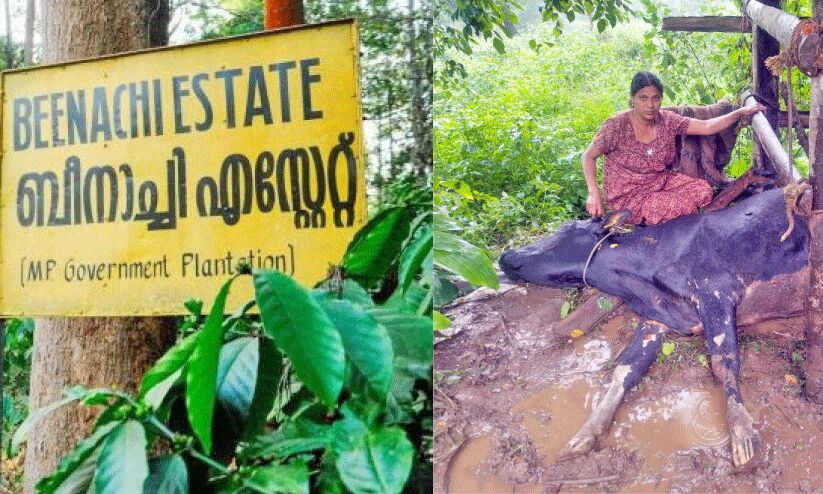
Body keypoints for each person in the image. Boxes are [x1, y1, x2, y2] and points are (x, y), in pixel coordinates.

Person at [583, 71, 766, 225]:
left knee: (703, 190)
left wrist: (740, 113)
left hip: (659, 182)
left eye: (655, 98)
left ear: (661, 99)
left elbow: (706, 127)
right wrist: (593, 192)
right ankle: (649, 217)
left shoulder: (668, 120)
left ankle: (665, 212)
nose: (650, 105)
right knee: (675, 207)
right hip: (628, 195)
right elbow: (588, 157)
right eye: (643, 98)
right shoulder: (616, 126)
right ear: (633, 99)